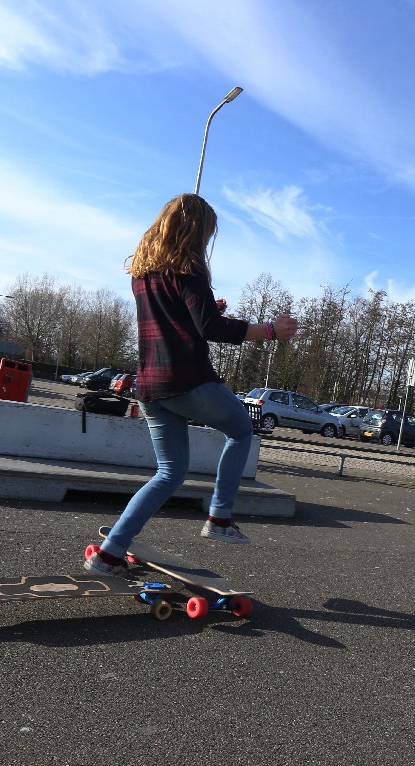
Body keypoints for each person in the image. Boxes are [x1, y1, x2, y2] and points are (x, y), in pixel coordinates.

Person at [85, 193, 298, 577]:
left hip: (150, 385)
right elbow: (210, 328)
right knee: (241, 430)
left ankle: (109, 554)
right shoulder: (189, 268)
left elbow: (177, 319)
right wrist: (270, 330)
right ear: (197, 232)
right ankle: (219, 517)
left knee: (169, 474)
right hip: (186, 380)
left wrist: (208, 310)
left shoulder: (142, 275)